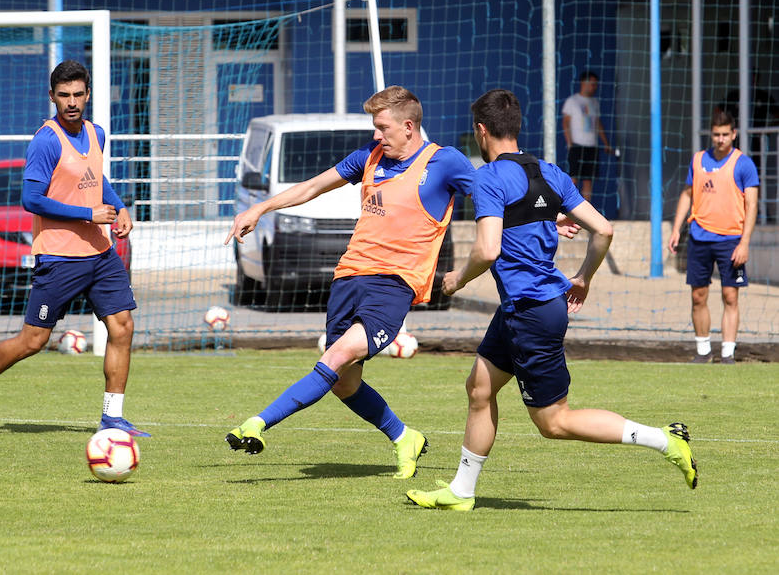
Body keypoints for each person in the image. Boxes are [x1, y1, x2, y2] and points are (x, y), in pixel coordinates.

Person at [405, 89, 697, 512]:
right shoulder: (549, 172)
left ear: (481, 131)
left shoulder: (487, 178)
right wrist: (584, 278)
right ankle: (461, 492)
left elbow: (487, 250)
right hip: (526, 308)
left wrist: (455, 280)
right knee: (480, 388)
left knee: (553, 422)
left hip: (531, 313)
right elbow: (604, 230)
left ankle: (664, 439)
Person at [223, 85, 474, 478]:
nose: (376, 135)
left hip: (393, 286)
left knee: (334, 358)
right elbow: (312, 187)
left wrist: (550, 217)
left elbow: (495, 200)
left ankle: (258, 422)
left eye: (382, 127)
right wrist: (261, 206)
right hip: (347, 279)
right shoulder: (368, 157)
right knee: (343, 383)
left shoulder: (445, 162)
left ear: (408, 127)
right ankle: (405, 437)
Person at [0, 60, 149, 438]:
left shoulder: (96, 133)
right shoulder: (46, 140)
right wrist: (89, 213)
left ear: (88, 94)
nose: (71, 102)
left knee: (122, 327)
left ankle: (112, 416)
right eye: (63, 95)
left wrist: (119, 207)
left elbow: (96, 177)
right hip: (59, 257)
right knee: (33, 341)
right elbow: (31, 199)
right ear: (52, 96)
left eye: (78, 94)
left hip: (101, 254)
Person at [668, 110, 759, 364]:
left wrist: (744, 242)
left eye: (725, 134)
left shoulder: (744, 164)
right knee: (698, 296)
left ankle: (728, 354)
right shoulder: (698, 160)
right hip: (699, 238)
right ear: (711, 134)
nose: (720, 139)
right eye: (716, 134)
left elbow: (752, 205)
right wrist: (676, 229)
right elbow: (688, 194)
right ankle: (703, 351)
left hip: (731, 240)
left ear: (734, 134)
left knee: (730, 295)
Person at [562, 70, 612, 203]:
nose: (594, 87)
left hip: (592, 146)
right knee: (573, 178)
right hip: (577, 145)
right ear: (584, 83)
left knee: (588, 180)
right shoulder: (572, 101)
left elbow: (597, 124)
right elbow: (565, 122)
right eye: (592, 84)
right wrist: (570, 143)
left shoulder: (595, 102)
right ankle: (568, 210)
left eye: (596, 84)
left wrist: (606, 143)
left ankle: (586, 214)